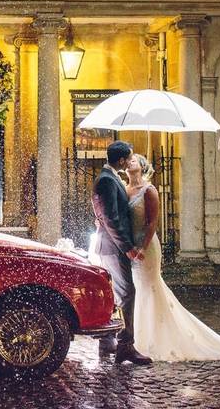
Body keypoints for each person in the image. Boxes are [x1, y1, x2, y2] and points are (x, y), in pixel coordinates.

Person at [124, 153, 220, 361]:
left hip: (146, 247)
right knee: (138, 289)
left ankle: (153, 339)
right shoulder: (124, 190)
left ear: (142, 167)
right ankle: (139, 339)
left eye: (133, 160)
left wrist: (142, 247)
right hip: (131, 246)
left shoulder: (149, 190)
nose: (128, 163)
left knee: (149, 287)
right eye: (128, 161)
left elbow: (152, 223)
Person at [91, 140, 153, 365]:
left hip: (108, 245)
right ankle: (126, 346)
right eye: (128, 158)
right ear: (120, 160)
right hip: (114, 247)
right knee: (126, 294)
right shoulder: (107, 180)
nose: (129, 162)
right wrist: (126, 248)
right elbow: (111, 218)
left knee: (114, 294)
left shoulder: (108, 178)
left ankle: (107, 341)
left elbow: (102, 212)